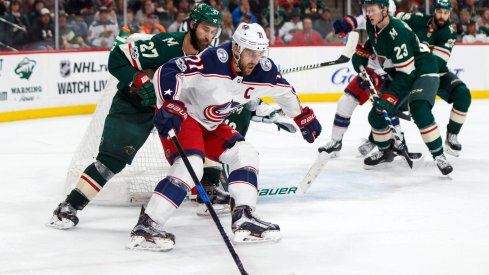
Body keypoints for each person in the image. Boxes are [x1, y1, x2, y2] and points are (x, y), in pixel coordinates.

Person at [127, 22, 322, 251]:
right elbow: (168, 71)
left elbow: (284, 90)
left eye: (259, 53)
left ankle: (243, 218)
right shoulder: (213, 60)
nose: (255, 59)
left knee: (245, 153)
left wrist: (302, 116)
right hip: (185, 117)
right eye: (250, 52)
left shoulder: (264, 69)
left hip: (211, 124)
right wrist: (170, 104)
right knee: (192, 165)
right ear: (237, 48)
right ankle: (147, 225)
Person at [47, 3, 223, 230]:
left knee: (209, 137)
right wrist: (138, 80)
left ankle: (207, 192)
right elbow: (116, 58)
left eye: (213, 31)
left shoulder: (207, 58)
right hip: (135, 107)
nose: (209, 36)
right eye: (205, 29)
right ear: (192, 25)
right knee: (110, 162)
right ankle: (69, 207)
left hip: (171, 112)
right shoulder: (166, 45)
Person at [356, 0, 453, 175]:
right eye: (366, 10)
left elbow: (406, 73)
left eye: (372, 10)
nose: (368, 14)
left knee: (419, 109)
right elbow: (375, 41)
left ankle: (439, 155)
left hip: (423, 70)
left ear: (385, 10)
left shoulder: (398, 32)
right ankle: (386, 151)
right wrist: (363, 52)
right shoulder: (373, 24)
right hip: (401, 73)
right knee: (376, 116)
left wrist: (391, 95)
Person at [397, 0, 472, 157]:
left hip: (435, 72)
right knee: (390, 100)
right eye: (440, 12)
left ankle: (452, 136)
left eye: (446, 13)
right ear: (434, 10)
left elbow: (436, 64)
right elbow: (396, 18)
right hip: (409, 70)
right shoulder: (417, 19)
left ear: (450, 14)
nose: (442, 16)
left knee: (463, 94)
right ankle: (379, 139)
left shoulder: (449, 32)